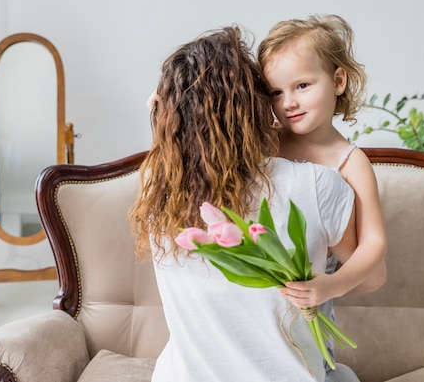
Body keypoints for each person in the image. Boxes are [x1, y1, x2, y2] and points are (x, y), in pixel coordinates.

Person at [131, 26, 360, 382]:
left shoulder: (158, 189)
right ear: (255, 106)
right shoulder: (318, 184)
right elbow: (371, 273)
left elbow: (182, 145)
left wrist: (170, 111)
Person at [257, 14, 387, 375]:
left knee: (308, 359)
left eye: (302, 85)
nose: (288, 103)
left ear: (338, 80)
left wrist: (331, 286)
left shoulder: (350, 162)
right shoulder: (266, 142)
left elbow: (374, 245)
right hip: (258, 290)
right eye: (276, 92)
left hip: (312, 292)